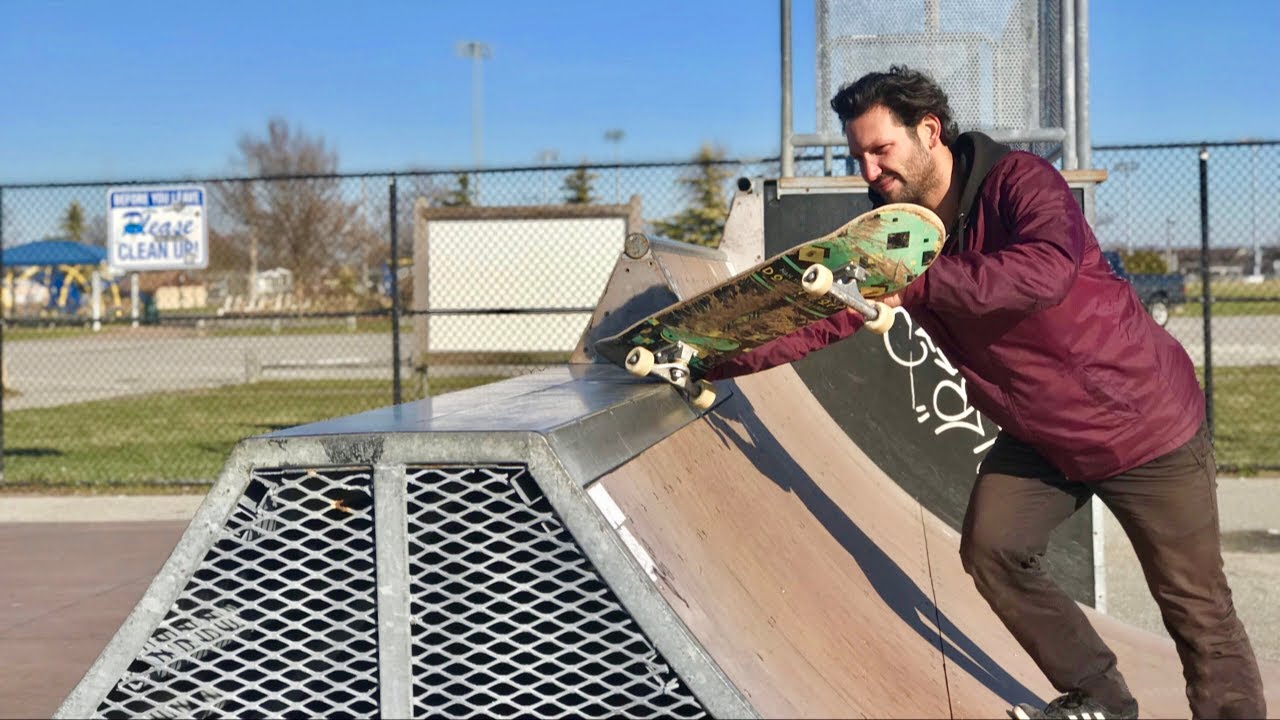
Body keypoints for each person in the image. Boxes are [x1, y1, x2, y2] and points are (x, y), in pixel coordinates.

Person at [705, 66, 1265, 719]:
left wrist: (919, 283)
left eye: (880, 150)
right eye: (857, 155)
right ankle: (1101, 698)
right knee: (994, 547)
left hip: (1142, 424)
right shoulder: (894, 229)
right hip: (1042, 438)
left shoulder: (1020, 182)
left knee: (1197, 612)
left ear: (929, 132)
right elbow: (833, 313)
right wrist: (718, 360)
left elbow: (1044, 272)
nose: (868, 171)